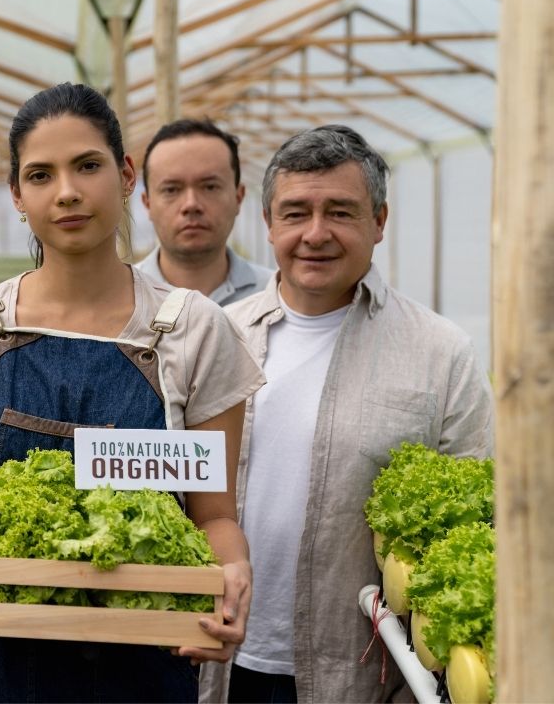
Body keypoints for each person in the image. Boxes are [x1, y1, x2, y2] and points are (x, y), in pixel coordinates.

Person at [0, 83, 265, 703]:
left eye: (88, 166)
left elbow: (213, 516)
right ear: (18, 196)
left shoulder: (192, 329)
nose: (67, 191)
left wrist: (231, 578)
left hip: (141, 665)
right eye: (40, 175)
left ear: (126, 176)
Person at [202, 125, 494, 704]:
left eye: (341, 212)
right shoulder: (217, 335)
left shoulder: (439, 352)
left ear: (379, 222)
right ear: (268, 225)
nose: (316, 234)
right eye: (295, 213)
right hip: (219, 657)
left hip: (360, 675)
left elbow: (477, 523)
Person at [135, 119, 272, 304]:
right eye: (171, 190)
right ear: (147, 203)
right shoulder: (123, 298)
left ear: (238, 197)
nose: (191, 204)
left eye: (209, 187)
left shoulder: (274, 296)